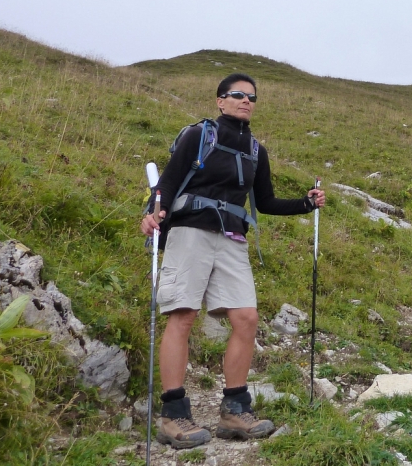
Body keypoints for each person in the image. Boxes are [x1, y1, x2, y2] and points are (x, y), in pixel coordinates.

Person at [140, 73, 326, 447]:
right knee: (183, 315)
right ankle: (174, 416)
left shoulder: (257, 151)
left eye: (251, 97)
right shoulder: (198, 136)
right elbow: (168, 183)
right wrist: (151, 213)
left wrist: (306, 204)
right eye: (237, 95)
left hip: (231, 238)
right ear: (220, 101)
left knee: (246, 318)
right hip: (190, 232)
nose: (246, 101)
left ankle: (234, 410)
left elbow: (267, 202)